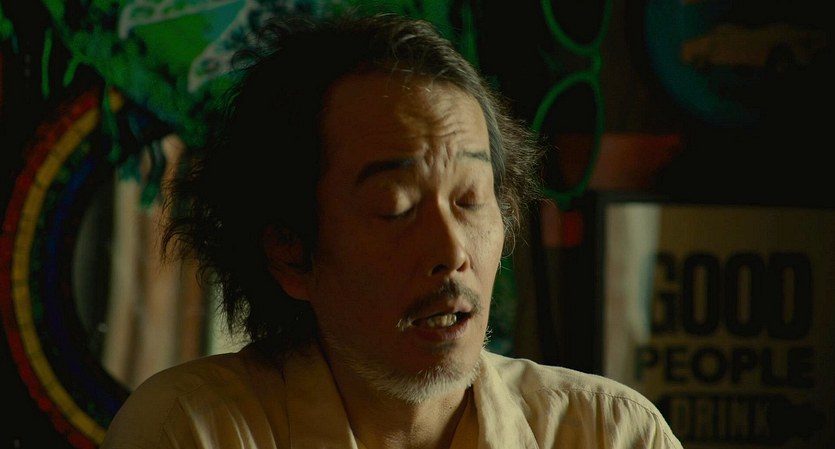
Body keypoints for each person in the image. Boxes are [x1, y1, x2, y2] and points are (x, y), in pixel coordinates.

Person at [101, 12, 683, 449]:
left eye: (470, 200)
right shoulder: (191, 431)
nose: (452, 251)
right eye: (396, 207)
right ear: (289, 250)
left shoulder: (610, 433)